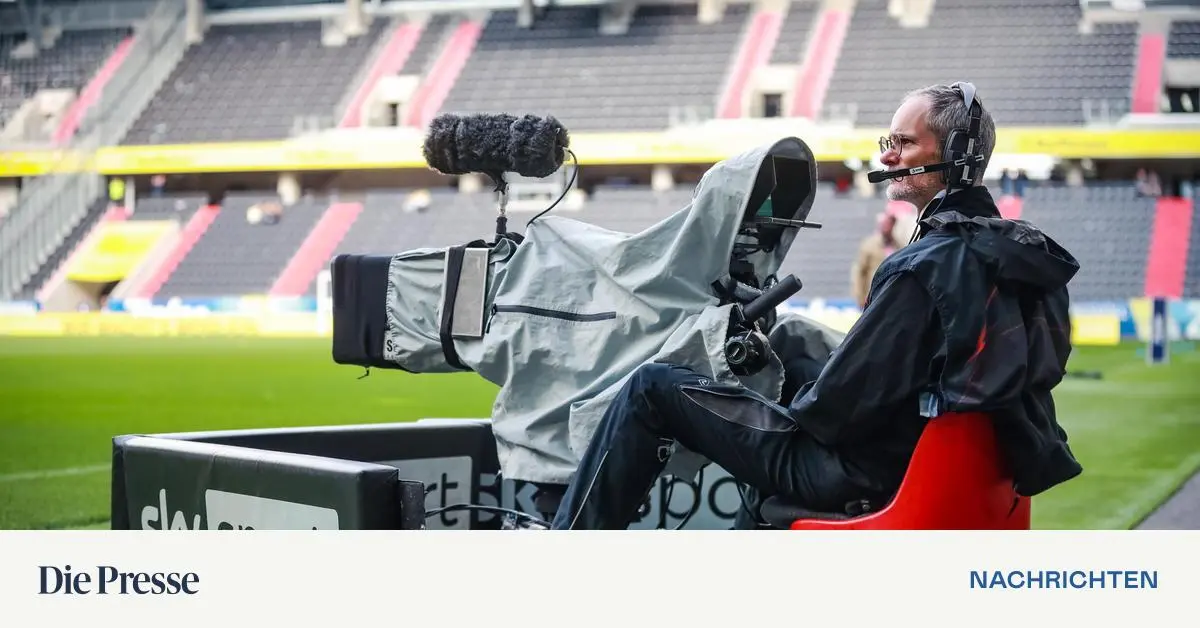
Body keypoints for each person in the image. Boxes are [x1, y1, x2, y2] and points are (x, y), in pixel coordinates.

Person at [549, 83, 1083, 530]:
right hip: (943, 465)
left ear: (957, 154)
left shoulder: (921, 269)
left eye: (903, 143)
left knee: (653, 386)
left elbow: (833, 412)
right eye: (888, 142)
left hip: (854, 471)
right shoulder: (1019, 256)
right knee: (793, 342)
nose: (887, 157)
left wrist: (773, 402)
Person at [850, 211, 901, 309]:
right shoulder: (869, 245)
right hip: (874, 295)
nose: (886, 226)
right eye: (884, 224)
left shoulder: (898, 245)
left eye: (889, 223)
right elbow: (860, 271)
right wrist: (860, 296)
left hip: (893, 295)